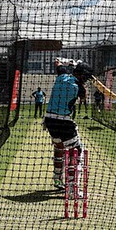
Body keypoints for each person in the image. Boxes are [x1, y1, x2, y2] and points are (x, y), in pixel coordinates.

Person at [43, 58, 92, 191]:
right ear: (82, 75)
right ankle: (72, 188)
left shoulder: (62, 76)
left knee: (59, 146)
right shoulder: (80, 87)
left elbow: (57, 62)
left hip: (49, 120)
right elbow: (83, 98)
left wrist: (69, 63)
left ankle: (57, 179)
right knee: (76, 151)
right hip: (64, 121)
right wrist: (82, 83)